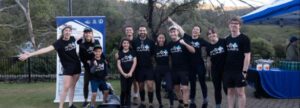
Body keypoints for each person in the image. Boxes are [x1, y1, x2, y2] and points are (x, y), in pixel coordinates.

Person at [19, 26, 81, 108]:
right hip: (68, 67)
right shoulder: (59, 43)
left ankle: (71, 105)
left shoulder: (73, 38)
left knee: (73, 86)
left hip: (77, 65)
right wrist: (30, 54)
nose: (68, 32)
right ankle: (61, 106)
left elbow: (81, 35)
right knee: (66, 87)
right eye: (66, 30)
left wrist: (85, 34)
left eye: (69, 31)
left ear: (71, 32)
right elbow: (45, 49)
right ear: (63, 32)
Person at [168, 17, 209, 108]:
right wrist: (171, 21)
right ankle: (192, 101)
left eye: (197, 30)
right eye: (194, 29)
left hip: (199, 64)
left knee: (202, 81)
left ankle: (205, 99)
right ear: (192, 31)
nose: (195, 31)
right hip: (189, 65)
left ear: (199, 32)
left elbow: (210, 45)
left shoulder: (201, 41)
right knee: (192, 83)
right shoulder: (187, 38)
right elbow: (179, 28)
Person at [224, 16, 251, 108]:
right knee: (230, 92)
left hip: (239, 71)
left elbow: (247, 56)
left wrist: (244, 71)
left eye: (236, 24)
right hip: (228, 71)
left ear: (240, 26)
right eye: (232, 23)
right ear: (229, 26)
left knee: (240, 93)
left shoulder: (244, 38)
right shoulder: (226, 39)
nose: (234, 25)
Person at [167, 25, 195, 108]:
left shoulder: (183, 41)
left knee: (185, 88)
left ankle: (186, 105)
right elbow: (167, 56)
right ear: (169, 33)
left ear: (177, 32)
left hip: (184, 69)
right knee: (176, 89)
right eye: (171, 32)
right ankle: (181, 102)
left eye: (174, 31)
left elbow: (193, 51)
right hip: (174, 70)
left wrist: (185, 44)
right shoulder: (169, 44)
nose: (173, 33)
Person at [77, 27, 102, 107]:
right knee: (86, 84)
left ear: (92, 34)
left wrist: (96, 60)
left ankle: (105, 97)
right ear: (84, 34)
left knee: (100, 82)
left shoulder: (96, 42)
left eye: (89, 32)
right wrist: (86, 62)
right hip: (88, 68)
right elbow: (81, 56)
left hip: (96, 66)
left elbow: (99, 53)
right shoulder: (82, 44)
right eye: (86, 33)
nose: (88, 34)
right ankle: (85, 100)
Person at [131, 25, 155, 108]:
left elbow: (153, 54)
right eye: (140, 30)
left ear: (146, 32)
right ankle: (143, 102)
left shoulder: (151, 42)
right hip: (139, 68)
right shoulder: (134, 42)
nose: (142, 32)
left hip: (149, 67)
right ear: (138, 32)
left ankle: (151, 103)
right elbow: (131, 54)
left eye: (143, 30)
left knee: (150, 85)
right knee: (141, 86)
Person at [206, 27, 227, 108]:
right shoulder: (208, 47)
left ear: (216, 33)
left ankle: (231, 104)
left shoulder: (223, 41)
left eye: (213, 33)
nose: (212, 35)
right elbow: (208, 59)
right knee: (217, 89)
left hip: (225, 70)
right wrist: (209, 70)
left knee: (226, 87)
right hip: (215, 71)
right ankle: (218, 105)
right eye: (209, 34)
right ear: (208, 36)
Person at [154, 33, 174, 108]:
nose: (161, 39)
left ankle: (171, 105)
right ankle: (160, 104)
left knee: (169, 87)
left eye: (163, 38)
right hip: (158, 69)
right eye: (160, 38)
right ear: (157, 39)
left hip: (167, 69)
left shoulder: (168, 47)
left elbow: (173, 56)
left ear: (165, 39)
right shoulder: (154, 48)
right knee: (158, 87)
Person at [116, 38, 137, 107]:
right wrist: (123, 73)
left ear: (129, 44)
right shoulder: (119, 53)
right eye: (124, 43)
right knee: (123, 90)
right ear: (122, 44)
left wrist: (130, 72)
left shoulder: (132, 52)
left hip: (131, 74)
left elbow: (134, 62)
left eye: (127, 43)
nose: (126, 44)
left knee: (128, 89)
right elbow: (118, 64)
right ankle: (122, 104)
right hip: (123, 74)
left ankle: (128, 104)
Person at [124, 25, 140, 104]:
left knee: (135, 81)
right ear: (125, 32)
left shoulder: (137, 41)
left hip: (136, 64)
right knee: (126, 82)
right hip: (126, 65)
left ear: (133, 31)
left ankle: (135, 96)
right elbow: (120, 50)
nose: (129, 31)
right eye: (127, 30)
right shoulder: (124, 41)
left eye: (130, 30)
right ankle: (127, 97)